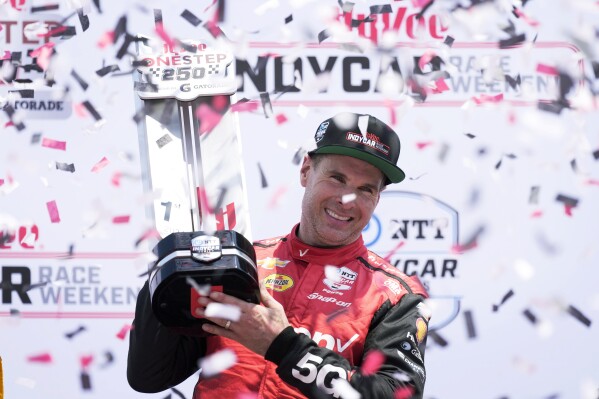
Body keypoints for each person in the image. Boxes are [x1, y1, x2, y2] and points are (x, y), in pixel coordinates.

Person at [127, 112, 430, 398]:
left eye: (365, 189)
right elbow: (150, 376)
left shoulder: (394, 297)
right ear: (306, 170)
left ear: (378, 198)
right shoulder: (240, 263)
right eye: (337, 179)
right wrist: (169, 267)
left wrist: (283, 347)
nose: (346, 200)